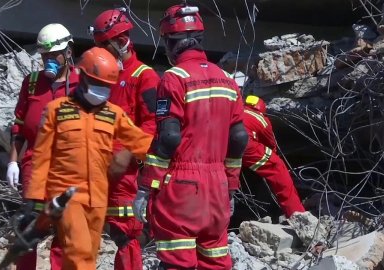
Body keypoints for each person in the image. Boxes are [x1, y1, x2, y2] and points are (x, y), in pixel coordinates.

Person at [132, 3, 248, 270]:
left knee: (178, 262)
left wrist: (146, 187)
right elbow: (239, 137)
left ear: (173, 42)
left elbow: (169, 138)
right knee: (215, 261)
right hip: (217, 187)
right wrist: (230, 185)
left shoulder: (174, 78)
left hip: (182, 189)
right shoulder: (227, 79)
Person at [22, 47, 154, 270]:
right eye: (97, 83)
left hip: (97, 199)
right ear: (81, 77)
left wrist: (128, 152)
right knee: (79, 252)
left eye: (106, 86)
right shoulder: (56, 111)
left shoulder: (113, 113)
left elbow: (143, 142)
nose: (102, 90)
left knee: (84, 258)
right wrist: (36, 199)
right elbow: (42, 156)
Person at [89, 8, 160, 270]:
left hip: (126, 172)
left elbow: (153, 123)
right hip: (98, 167)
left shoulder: (145, 76)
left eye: (104, 47)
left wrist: (128, 152)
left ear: (121, 42)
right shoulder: (103, 75)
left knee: (125, 232)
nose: (100, 53)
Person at [7, 23, 78, 270]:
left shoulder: (83, 84)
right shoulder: (33, 82)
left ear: (68, 52)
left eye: (53, 54)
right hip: (34, 166)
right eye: (44, 55)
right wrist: (13, 161)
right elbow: (18, 126)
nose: (48, 60)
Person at [242, 95, 305, 218]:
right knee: (277, 167)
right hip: (244, 145)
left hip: (220, 146)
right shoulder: (261, 119)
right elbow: (270, 145)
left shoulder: (237, 110)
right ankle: (297, 214)